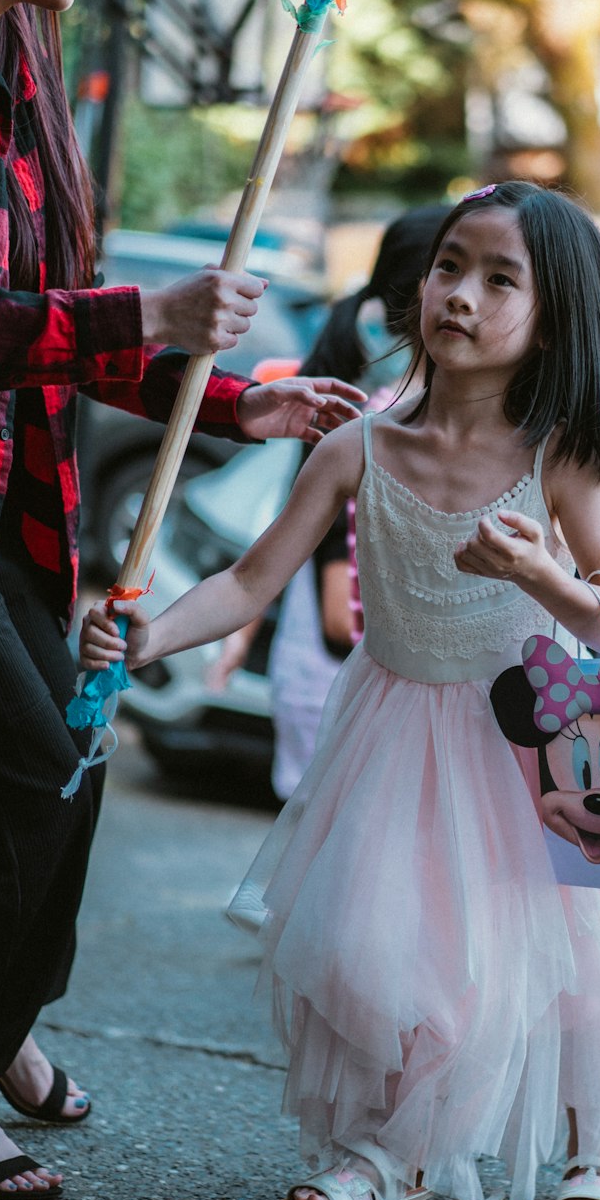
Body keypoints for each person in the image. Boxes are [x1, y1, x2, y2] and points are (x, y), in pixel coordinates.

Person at [0, 0, 361, 1200]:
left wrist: (243, 400)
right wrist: (147, 318)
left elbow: (72, 336)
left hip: (4, 508)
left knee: (74, 752)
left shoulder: (22, 74)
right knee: (35, 781)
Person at [82, 180, 600, 1200]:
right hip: (402, 724)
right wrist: (152, 634)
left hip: (565, 720)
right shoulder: (355, 445)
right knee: (384, 944)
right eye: (450, 266)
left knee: (584, 955)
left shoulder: (562, 458)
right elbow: (250, 581)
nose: (461, 294)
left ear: (556, 320)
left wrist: (542, 574)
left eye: (502, 279)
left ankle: (599, 1150)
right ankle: (392, 1149)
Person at [209, 206, 447, 799]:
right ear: (422, 284)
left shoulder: (369, 352)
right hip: (350, 632)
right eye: (452, 269)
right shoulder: (386, 405)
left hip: (357, 635)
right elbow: (303, 524)